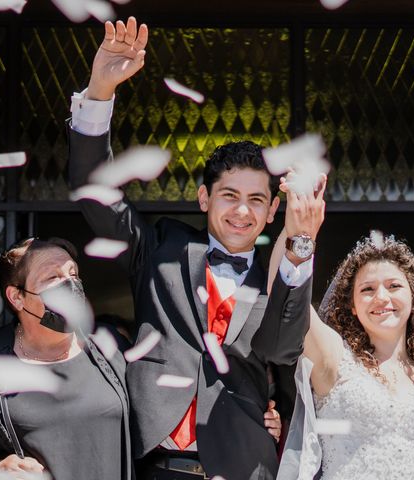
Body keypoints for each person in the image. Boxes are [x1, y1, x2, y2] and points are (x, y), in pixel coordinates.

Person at [67, 16, 325, 480]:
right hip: (154, 466)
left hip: (244, 466)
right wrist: (100, 92)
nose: (241, 212)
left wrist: (300, 243)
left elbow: (285, 350)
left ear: (271, 213)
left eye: (256, 201)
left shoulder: (278, 275)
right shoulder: (162, 248)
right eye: (229, 196)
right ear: (204, 198)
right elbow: (93, 192)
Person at [269, 221, 414, 478]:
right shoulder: (334, 359)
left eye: (394, 286)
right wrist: (295, 223)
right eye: (367, 289)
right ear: (352, 305)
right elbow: (285, 296)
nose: (381, 297)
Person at [0, 237, 132, 480]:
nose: (69, 284)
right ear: (16, 297)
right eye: (53, 277)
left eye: (73, 274)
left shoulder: (109, 347)